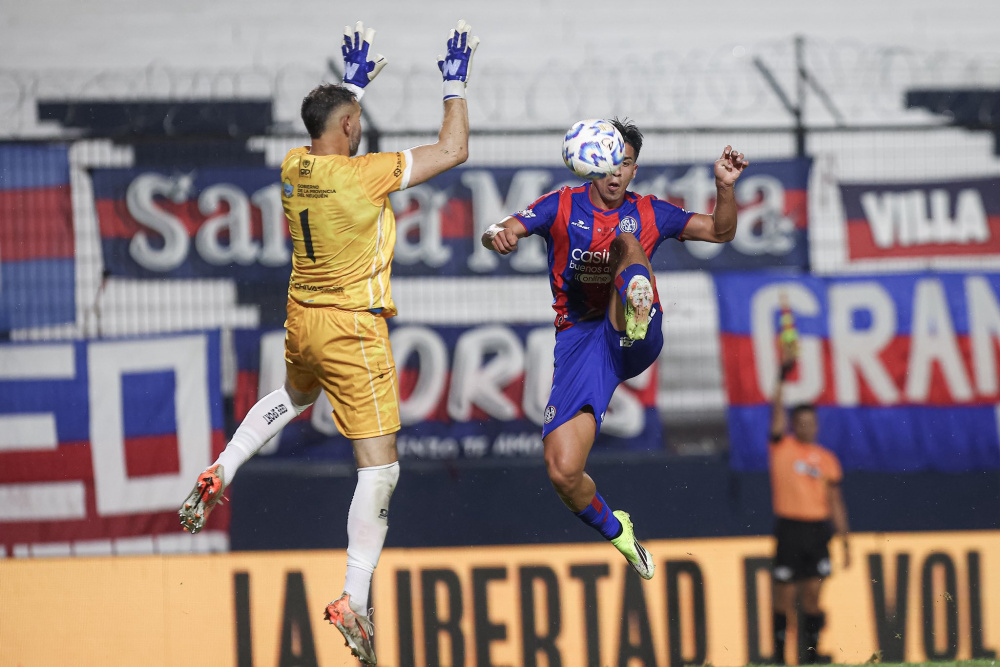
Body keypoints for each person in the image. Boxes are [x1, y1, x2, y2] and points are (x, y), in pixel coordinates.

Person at [178, 19, 479, 666]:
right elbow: (452, 151)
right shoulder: (363, 175)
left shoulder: (295, 169)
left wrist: (350, 87)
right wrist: (453, 83)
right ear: (349, 129)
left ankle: (223, 466)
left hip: (303, 317)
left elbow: (331, 126)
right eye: (357, 118)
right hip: (351, 326)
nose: (361, 125)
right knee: (381, 466)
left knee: (292, 394)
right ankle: (352, 596)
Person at [482, 119, 748, 578]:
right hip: (583, 343)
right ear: (590, 164)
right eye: (605, 162)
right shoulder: (560, 205)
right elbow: (502, 229)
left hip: (633, 332)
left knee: (627, 240)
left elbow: (720, 232)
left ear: (633, 169)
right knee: (563, 470)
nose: (613, 173)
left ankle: (638, 301)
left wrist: (724, 188)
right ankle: (619, 531)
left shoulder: (649, 212)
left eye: (623, 163)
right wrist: (497, 236)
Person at [768, 341, 851, 664]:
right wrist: (781, 376)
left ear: (816, 425)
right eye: (800, 423)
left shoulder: (827, 460)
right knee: (784, 596)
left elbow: (836, 501)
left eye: (810, 423)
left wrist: (845, 540)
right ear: (794, 425)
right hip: (790, 528)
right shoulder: (782, 446)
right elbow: (776, 412)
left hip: (818, 530)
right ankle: (778, 656)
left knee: (813, 597)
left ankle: (812, 655)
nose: (806, 427)